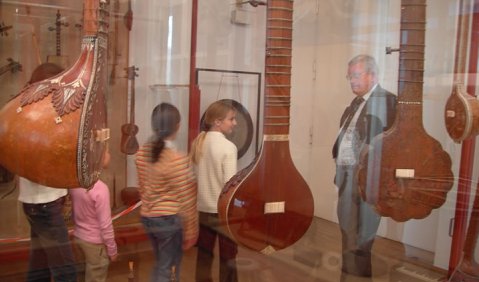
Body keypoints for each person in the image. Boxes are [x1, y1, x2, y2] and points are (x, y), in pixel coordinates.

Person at [331, 54, 397, 278]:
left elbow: (391, 145)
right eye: (350, 76)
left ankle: (358, 276)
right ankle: (347, 275)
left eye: (356, 75)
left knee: (363, 236)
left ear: (373, 75)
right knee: (347, 231)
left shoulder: (387, 101)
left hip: (369, 179)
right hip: (346, 176)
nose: (352, 81)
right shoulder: (356, 102)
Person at [17, 62, 77, 282]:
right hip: (43, 202)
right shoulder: (34, 116)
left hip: (41, 201)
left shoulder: (33, 112)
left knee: (40, 266)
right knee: (66, 269)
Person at [136, 103, 198, 281]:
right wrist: (191, 230)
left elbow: (143, 188)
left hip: (148, 217)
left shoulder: (142, 153)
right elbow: (186, 199)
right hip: (168, 219)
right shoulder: (177, 160)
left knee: (161, 264)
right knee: (168, 269)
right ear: (177, 126)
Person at [190, 100, 238, 282]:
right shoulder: (228, 148)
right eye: (231, 119)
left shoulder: (198, 142)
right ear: (218, 122)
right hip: (222, 212)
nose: (235, 123)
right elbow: (229, 186)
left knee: (204, 255)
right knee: (228, 258)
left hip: (203, 209)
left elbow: (194, 177)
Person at [70, 144, 118, 282]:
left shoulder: (76, 182)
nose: (110, 155)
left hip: (79, 238)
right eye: (108, 152)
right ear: (100, 158)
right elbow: (105, 224)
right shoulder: (100, 189)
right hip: (95, 245)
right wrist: (112, 249)